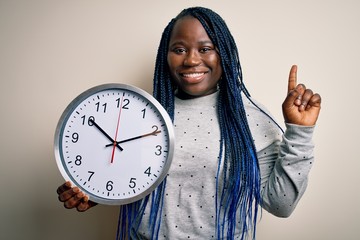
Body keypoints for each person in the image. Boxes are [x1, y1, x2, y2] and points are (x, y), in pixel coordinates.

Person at [57, 6, 321, 240]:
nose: (192, 60)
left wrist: (299, 132)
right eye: (179, 49)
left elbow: (280, 205)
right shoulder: (141, 113)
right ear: (166, 55)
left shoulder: (249, 119)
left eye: (206, 49)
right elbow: (124, 175)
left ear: (224, 55)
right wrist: (96, 192)